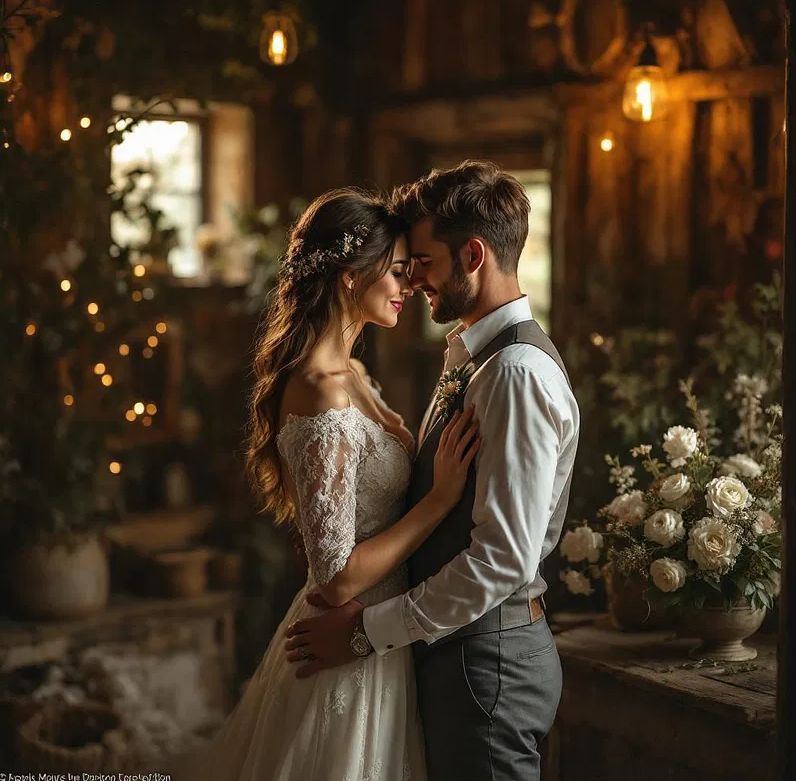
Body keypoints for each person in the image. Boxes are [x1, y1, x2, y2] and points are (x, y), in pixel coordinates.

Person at [284, 161, 581, 781]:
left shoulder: (514, 375)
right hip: (451, 653)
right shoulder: (475, 358)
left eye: (422, 261)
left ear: (472, 256)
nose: (413, 279)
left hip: (486, 661)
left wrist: (368, 633)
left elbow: (503, 560)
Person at [173, 188, 479, 780]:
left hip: (381, 637)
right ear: (348, 276)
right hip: (346, 647)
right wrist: (441, 500)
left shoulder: (355, 372)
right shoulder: (320, 390)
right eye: (394, 271)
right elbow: (337, 579)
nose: (409, 286)